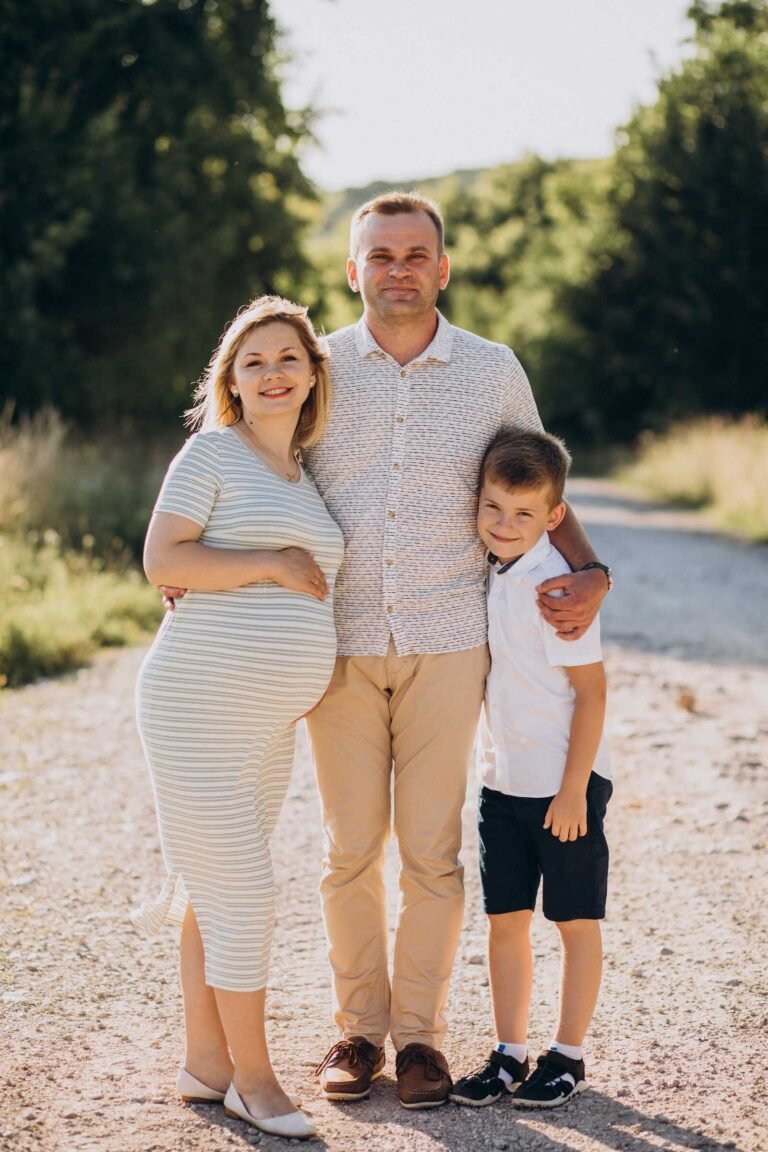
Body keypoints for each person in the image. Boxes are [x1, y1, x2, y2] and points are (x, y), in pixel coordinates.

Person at [304, 192, 613, 1109]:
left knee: (433, 854)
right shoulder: (316, 367)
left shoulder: (492, 370)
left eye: (416, 254)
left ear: (443, 269)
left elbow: (538, 477)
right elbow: (255, 467)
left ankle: (421, 1042)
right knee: (348, 849)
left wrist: (590, 565)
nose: (398, 268)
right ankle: (358, 1032)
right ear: (353, 270)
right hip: (341, 645)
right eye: (380, 255)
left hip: (449, 641)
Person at [134, 295, 343, 1140]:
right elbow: (163, 559)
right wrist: (271, 562)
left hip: (264, 721)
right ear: (230, 381)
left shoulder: (302, 472)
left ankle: (205, 1062)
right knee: (247, 894)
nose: (271, 373)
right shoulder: (212, 452)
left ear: (312, 374)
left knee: (211, 889)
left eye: (287, 357)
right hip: (197, 705)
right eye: (252, 361)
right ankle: (255, 1081)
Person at [449, 427, 611, 1111]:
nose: (504, 525)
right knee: (506, 921)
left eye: (523, 514)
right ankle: (509, 1053)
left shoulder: (558, 590)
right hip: (503, 784)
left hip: (564, 788)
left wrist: (574, 789)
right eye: (493, 509)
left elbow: (592, 692)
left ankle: (567, 1054)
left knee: (574, 923)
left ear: (553, 518)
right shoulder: (495, 568)